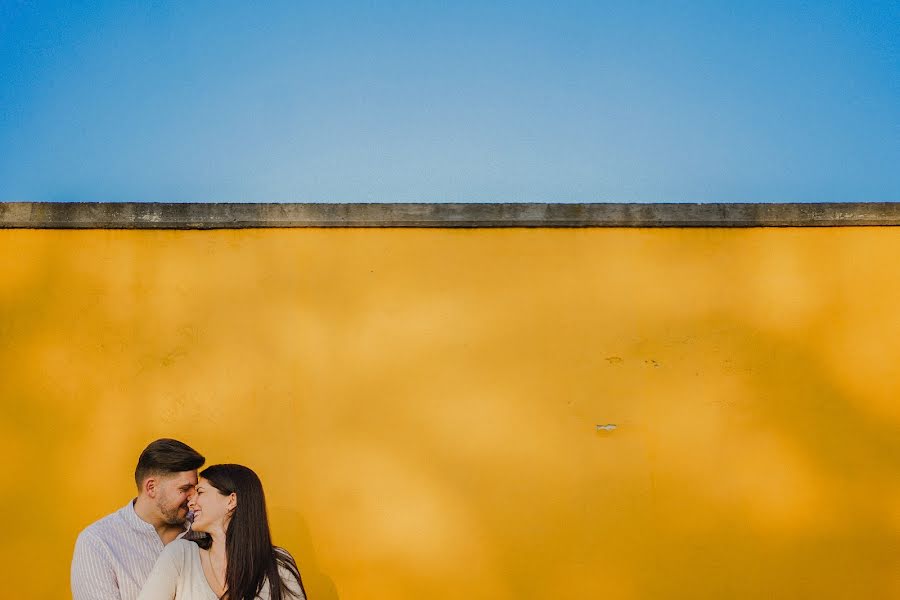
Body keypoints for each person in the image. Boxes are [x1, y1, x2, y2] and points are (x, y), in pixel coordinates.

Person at [137, 464, 306, 600]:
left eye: (200, 492)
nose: (191, 502)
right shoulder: (180, 555)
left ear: (231, 500)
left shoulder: (277, 565)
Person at [71, 438, 206, 600]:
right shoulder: (98, 542)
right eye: (185, 489)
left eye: (196, 489)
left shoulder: (205, 529)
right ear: (151, 487)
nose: (194, 498)